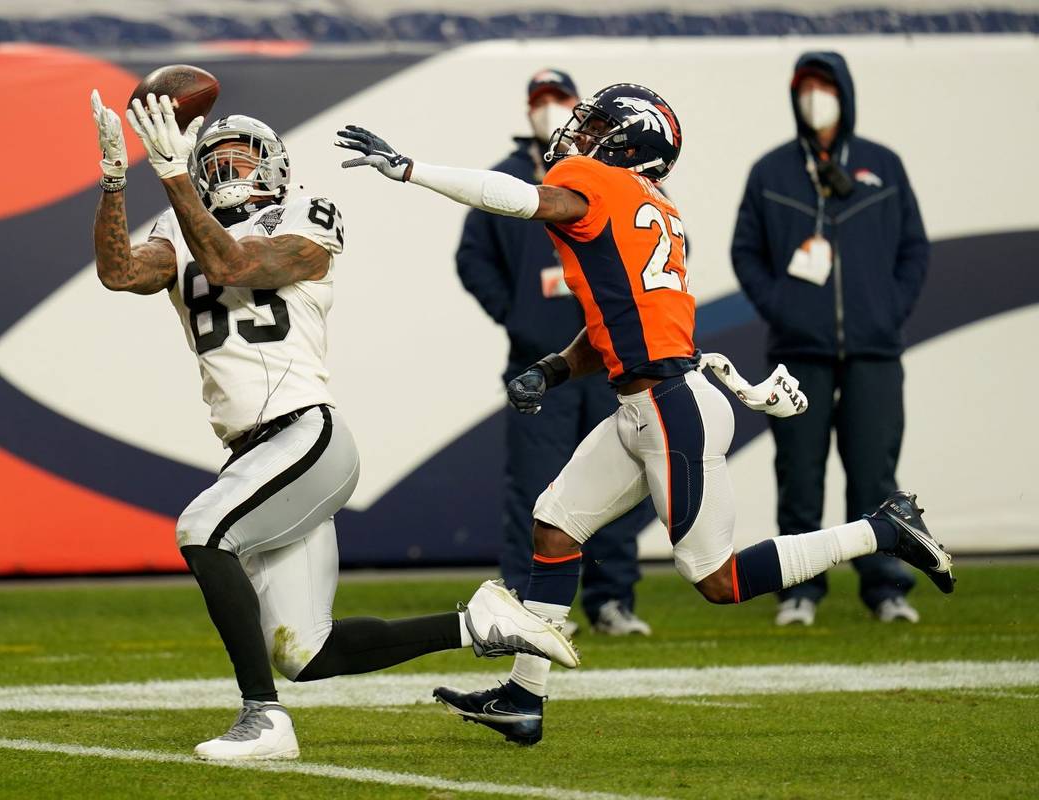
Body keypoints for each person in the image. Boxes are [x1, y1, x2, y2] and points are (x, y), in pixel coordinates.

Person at [335, 81, 953, 745]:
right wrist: (551, 367)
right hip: (649, 400)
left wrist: (410, 170)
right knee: (554, 527)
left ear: (631, 140)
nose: (581, 133)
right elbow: (617, 327)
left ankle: (882, 531)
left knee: (718, 580)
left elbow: (517, 199)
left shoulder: (594, 184)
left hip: (666, 406)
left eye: (599, 125)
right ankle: (523, 698)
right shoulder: (656, 205)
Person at [88, 90, 577, 761]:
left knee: (203, 531)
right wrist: (115, 182)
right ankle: (479, 623)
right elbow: (119, 274)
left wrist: (174, 176)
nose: (231, 168)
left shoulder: (308, 215)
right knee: (304, 650)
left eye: (242, 156)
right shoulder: (178, 228)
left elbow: (235, 266)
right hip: (253, 453)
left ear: (275, 165)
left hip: (305, 436)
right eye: (216, 159)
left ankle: (263, 720)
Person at [730, 51, 930, 627]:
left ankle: (887, 587)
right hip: (798, 355)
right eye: (805, 87)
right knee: (799, 477)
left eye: (824, 86)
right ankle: (799, 589)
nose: (814, 97)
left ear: (844, 92)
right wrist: (783, 308)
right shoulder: (771, 172)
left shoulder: (881, 166)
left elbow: (915, 248)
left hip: (874, 351)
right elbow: (746, 251)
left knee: (875, 475)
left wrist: (890, 310)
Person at [456, 68, 652, 638]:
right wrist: (517, 314)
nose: (548, 110)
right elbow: (473, 260)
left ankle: (612, 600)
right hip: (539, 360)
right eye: (539, 101)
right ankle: (528, 607)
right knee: (536, 486)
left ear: (578, 110)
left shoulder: (613, 176)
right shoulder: (507, 179)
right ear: (528, 111)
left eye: (559, 101)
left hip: (609, 360)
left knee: (617, 483)